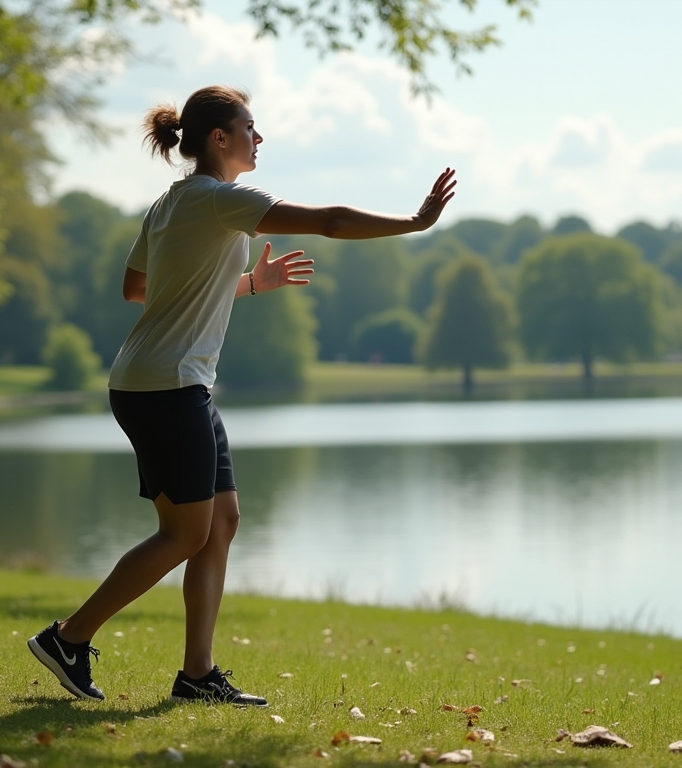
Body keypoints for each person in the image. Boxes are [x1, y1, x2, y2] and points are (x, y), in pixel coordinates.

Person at [28, 85, 456, 707]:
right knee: (183, 534)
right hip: (167, 386)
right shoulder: (219, 199)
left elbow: (137, 288)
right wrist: (414, 223)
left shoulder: (171, 203)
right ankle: (68, 637)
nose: (260, 138)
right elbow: (330, 221)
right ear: (219, 139)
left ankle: (197, 675)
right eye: (250, 128)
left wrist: (249, 282)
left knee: (219, 524)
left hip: (169, 382)